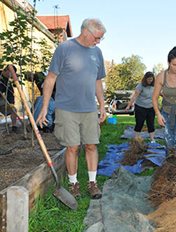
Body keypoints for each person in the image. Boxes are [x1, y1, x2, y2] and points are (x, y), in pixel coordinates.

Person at [36, 18, 107, 199]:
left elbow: (98, 81)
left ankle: (92, 183)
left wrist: (102, 106)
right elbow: (50, 79)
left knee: (91, 145)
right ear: (86, 32)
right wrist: (45, 107)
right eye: (97, 37)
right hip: (66, 108)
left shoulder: (97, 53)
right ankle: (73, 183)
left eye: (101, 38)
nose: (98, 42)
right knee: (72, 147)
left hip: (89, 108)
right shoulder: (64, 49)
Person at [125, 71, 156, 142]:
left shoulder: (154, 86)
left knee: (151, 123)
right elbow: (134, 96)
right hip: (140, 107)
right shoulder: (140, 86)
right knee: (139, 123)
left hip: (151, 108)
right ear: (145, 79)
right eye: (148, 79)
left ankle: (152, 139)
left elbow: (160, 93)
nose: (150, 81)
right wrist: (128, 105)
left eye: (151, 79)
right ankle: (137, 139)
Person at [0, 65, 18, 132]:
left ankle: (14, 126)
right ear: (7, 70)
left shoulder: (8, 82)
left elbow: (10, 94)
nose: (11, 75)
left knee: (13, 109)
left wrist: (11, 103)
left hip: (1, 100)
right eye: (11, 73)